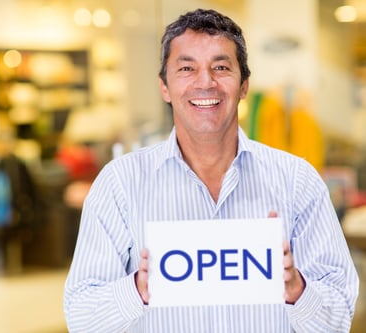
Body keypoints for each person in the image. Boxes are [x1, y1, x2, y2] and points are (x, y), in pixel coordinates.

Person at [63, 8, 359, 333]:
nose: (206, 82)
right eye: (187, 68)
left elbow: (338, 319)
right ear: (164, 87)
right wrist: (137, 289)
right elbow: (81, 318)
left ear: (244, 85)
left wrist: (297, 290)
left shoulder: (298, 181)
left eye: (221, 67)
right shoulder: (119, 183)